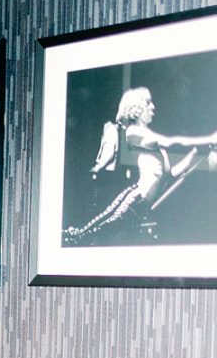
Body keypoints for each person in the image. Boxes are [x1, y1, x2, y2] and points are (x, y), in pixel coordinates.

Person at [64, 86, 217, 245]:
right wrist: (208, 140)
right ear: (136, 109)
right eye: (148, 102)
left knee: (98, 229)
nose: (153, 107)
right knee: (96, 232)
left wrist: (192, 156)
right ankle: (71, 238)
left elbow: (169, 174)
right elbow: (170, 142)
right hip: (136, 200)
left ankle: (73, 237)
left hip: (137, 199)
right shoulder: (134, 133)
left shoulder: (154, 144)